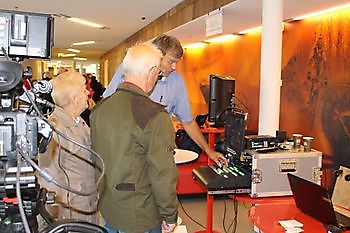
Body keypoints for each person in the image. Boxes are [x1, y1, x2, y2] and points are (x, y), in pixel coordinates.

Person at [90, 43, 178, 233]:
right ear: (153, 71)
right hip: (141, 215)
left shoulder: (100, 109)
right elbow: (162, 172)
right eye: (158, 74)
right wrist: (170, 214)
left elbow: (96, 158)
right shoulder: (154, 116)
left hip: (109, 206)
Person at [103, 34, 228, 167]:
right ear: (158, 56)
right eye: (171, 61)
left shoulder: (176, 81)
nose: (174, 67)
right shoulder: (128, 69)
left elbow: (188, 122)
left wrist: (209, 151)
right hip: (127, 151)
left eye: (177, 62)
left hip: (159, 151)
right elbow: (107, 107)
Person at [38, 71, 98, 224]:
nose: (88, 93)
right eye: (83, 90)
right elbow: (49, 178)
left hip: (86, 204)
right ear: (74, 98)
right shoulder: (56, 127)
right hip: (70, 212)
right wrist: (54, 218)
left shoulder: (78, 120)